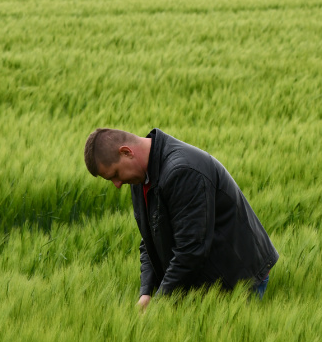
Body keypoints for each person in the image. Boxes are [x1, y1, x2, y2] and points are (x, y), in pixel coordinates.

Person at [83, 128, 278, 311]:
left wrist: (161, 302)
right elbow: (150, 239)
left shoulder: (183, 171)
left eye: (115, 174)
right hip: (206, 277)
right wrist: (147, 291)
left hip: (237, 280)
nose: (117, 184)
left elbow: (191, 249)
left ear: (127, 152)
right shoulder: (141, 177)